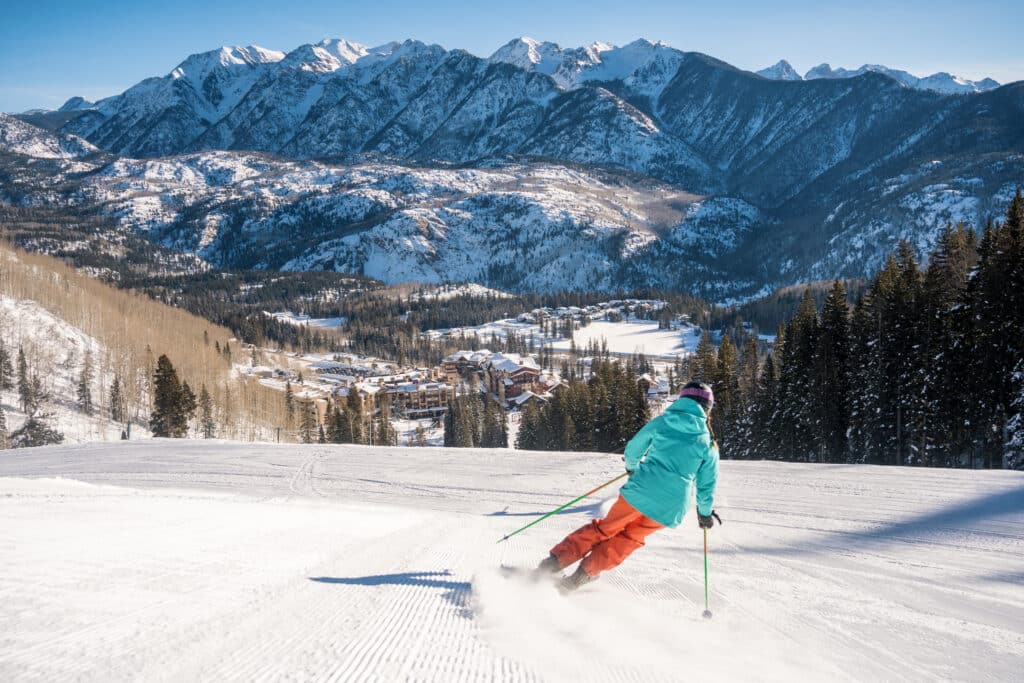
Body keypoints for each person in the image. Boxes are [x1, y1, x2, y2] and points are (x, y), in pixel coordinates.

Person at [538, 381, 721, 591]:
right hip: (670, 506)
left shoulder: (662, 422)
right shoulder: (708, 443)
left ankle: (552, 565)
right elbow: (707, 486)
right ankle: (581, 576)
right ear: (707, 408)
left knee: (605, 529)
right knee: (629, 538)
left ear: (682, 400)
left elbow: (634, 449)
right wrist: (704, 514)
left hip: (640, 490)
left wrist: (633, 468)